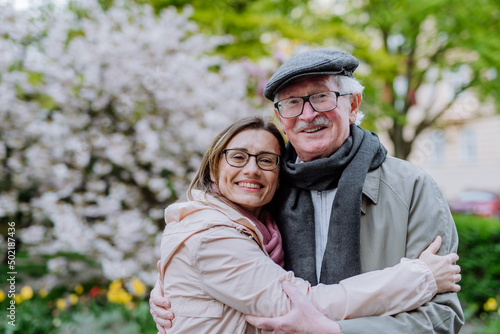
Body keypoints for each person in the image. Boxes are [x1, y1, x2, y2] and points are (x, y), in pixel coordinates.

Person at [151, 49, 464, 333]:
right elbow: (220, 257)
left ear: (353, 105)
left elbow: (441, 315)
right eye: (292, 103)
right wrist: (177, 293)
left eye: (321, 96)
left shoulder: (411, 187)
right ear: (281, 120)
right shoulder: (265, 185)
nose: (307, 114)